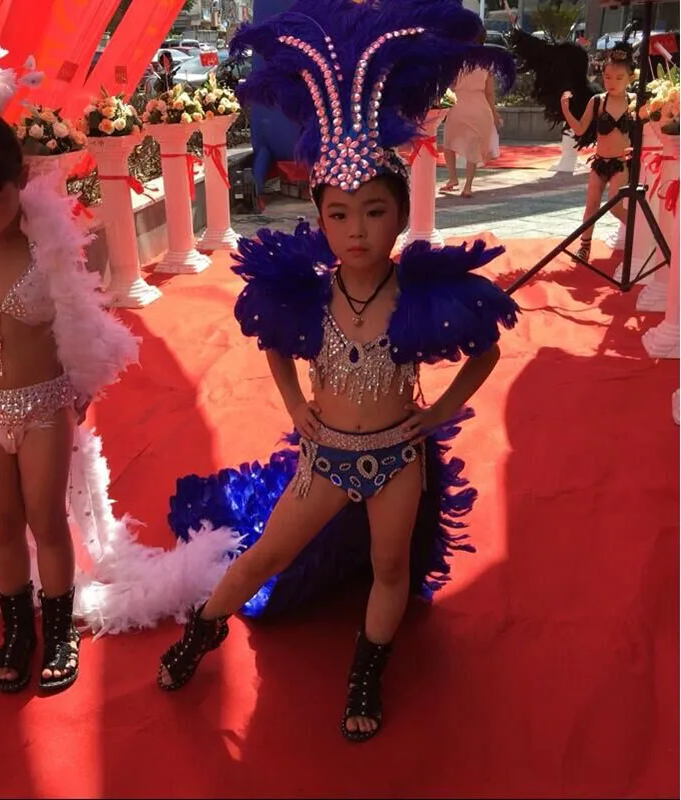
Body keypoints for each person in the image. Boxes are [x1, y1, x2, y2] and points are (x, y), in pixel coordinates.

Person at [157, 0, 518, 743]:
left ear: (399, 209)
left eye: (375, 212)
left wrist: (443, 407)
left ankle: (366, 671)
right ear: (319, 215)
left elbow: (485, 345)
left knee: (390, 568)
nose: (358, 231)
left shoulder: (422, 290)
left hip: (396, 459)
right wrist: (295, 405)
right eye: (341, 214)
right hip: (325, 459)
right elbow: (273, 343)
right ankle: (202, 631)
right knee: (267, 554)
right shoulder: (305, 290)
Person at [0, 40, 239, 695]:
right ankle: (18, 626)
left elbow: (79, 320)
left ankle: (57, 629)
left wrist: (78, 383)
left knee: (46, 520)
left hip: (41, 403)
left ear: (18, 179)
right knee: (2, 524)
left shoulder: (47, 243)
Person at [560, 41, 636, 262]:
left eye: (619, 78)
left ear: (630, 78)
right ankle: (584, 246)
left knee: (614, 204)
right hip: (600, 161)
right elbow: (581, 129)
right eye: (608, 77)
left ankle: (639, 232)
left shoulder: (634, 102)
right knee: (591, 205)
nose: (612, 83)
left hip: (621, 162)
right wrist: (566, 109)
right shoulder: (597, 102)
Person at [441, 29, 504, 198]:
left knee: (448, 142)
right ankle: (468, 186)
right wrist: (495, 114)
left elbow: (450, 84)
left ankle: (453, 178)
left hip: (459, 105)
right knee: (473, 148)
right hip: (480, 107)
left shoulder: (459, 60)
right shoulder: (487, 62)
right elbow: (489, 92)